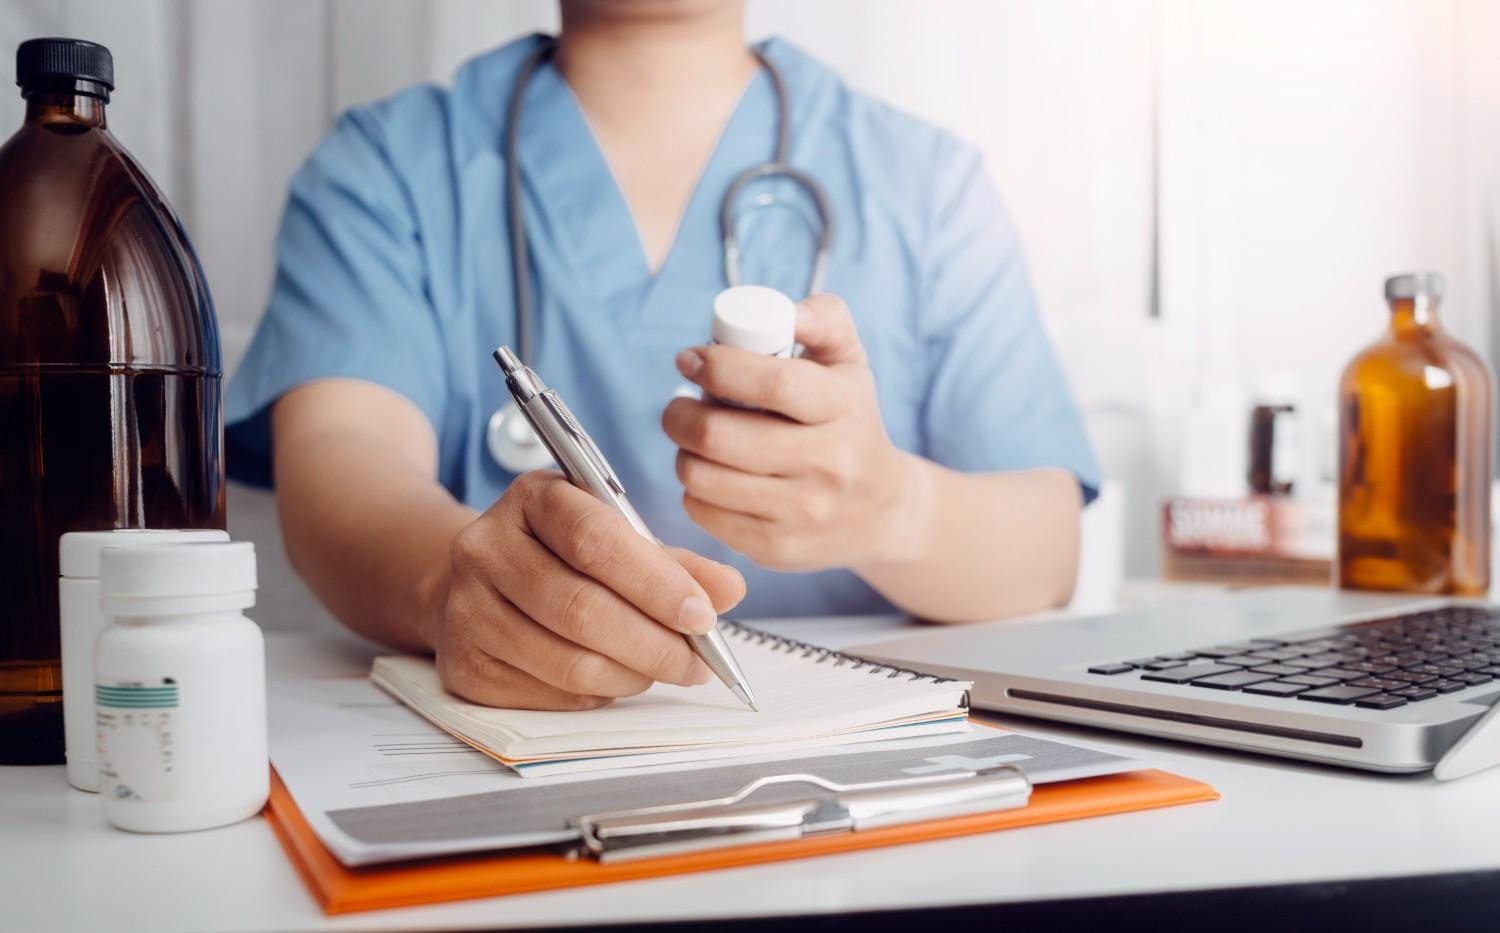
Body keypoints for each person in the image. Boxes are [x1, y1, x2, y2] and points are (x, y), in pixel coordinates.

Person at [226, 0, 1100, 711]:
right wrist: (451, 581)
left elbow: (1046, 545)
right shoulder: (384, 171)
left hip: (873, 781)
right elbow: (341, 467)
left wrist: (894, 507)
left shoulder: (929, 185)